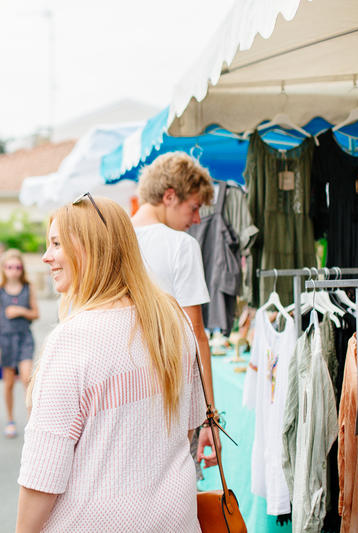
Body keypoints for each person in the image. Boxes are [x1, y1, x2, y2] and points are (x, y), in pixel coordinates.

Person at [16, 194, 204, 532]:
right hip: (175, 518)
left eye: (57, 244)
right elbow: (188, 426)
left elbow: (43, 474)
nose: (46, 257)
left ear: (91, 248)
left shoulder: (73, 339)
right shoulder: (173, 319)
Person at [130, 151, 219, 472]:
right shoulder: (180, 245)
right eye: (194, 207)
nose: (196, 219)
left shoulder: (111, 238)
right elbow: (196, 334)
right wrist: (210, 416)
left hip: (118, 395)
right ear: (169, 196)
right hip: (168, 396)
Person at [0, 248, 39, 438]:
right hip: (5, 340)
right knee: (8, 382)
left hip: (24, 337)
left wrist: (21, 311)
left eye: (17, 267)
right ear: (3, 268)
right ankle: (10, 419)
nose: (13, 270)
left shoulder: (28, 287)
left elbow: (36, 313)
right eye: (9, 267)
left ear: (22, 269)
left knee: (27, 378)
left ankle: (31, 420)